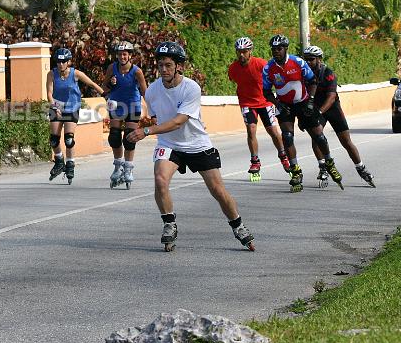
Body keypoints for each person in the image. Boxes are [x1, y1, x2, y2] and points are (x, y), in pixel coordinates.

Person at [127, 41, 255, 252]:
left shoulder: (191, 88)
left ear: (179, 66)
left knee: (217, 190)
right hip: (169, 143)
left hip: (196, 144)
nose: (164, 70)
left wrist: (147, 131)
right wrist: (140, 126)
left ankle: (238, 226)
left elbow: (178, 121)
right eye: (160, 65)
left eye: (168, 65)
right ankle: (169, 223)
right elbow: (157, 118)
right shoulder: (152, 91)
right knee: (160, 179)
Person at [262, 34, 343, 192]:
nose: (276, 52)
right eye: (273, 49)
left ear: (286, 49)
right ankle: (296, 171)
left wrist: (311, 101)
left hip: (303, 101)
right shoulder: (268, 68)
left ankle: (329, 162)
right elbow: (266, 91)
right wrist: (277, 103)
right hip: (284, 104)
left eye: (279, 49)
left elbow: (313, 81)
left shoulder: (298, 62)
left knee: (318, 136)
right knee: (287, 136)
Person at [302, 45, 375, 188]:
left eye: (311, 59)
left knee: (346, 141)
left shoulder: (328, 73)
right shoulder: (304, 75)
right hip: (316, 107)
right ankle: (323, 168)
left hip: (331, 108)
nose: (308, 63)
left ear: (319, 59)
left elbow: (331, 97)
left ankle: (361, 168)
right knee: (316, 138)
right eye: (306, 60)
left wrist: (319, 113)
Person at [227, 36, 290, 181]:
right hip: (247, 103)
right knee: (251, 130)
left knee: (273, 131)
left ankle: (283, 155)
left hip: (264, 102)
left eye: (244, 51)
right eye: (239, 52)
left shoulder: (261, 64)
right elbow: (234, 79)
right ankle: (255, 161)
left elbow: (276, 77)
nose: (241, 55)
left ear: (250, 51)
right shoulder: (233, 68)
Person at [46, 48, 106, 184]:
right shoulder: (51, 74)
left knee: (68, 139)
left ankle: (70, 164)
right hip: (57, 106)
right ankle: (59, 161)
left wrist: (105, 95)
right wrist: (54, 106)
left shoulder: (75, 74)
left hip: (72, 107)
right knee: (54, 140)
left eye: (63, 62)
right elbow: (49, 93)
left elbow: (91, 84)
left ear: (68, 62)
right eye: (58, 62)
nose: (60, 64)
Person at [102, 41, 148, 189]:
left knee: (129, 138)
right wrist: (111, 83)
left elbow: (145, 91)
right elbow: (104, 86)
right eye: (120, 54)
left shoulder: (136, 71)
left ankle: (128, 168)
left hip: (132, 105)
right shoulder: (112, 68)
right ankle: (117, 166)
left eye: (125, 54)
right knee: (114, 137)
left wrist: (153, 110)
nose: (122, 56)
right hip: (117, 104)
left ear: (130, 56)